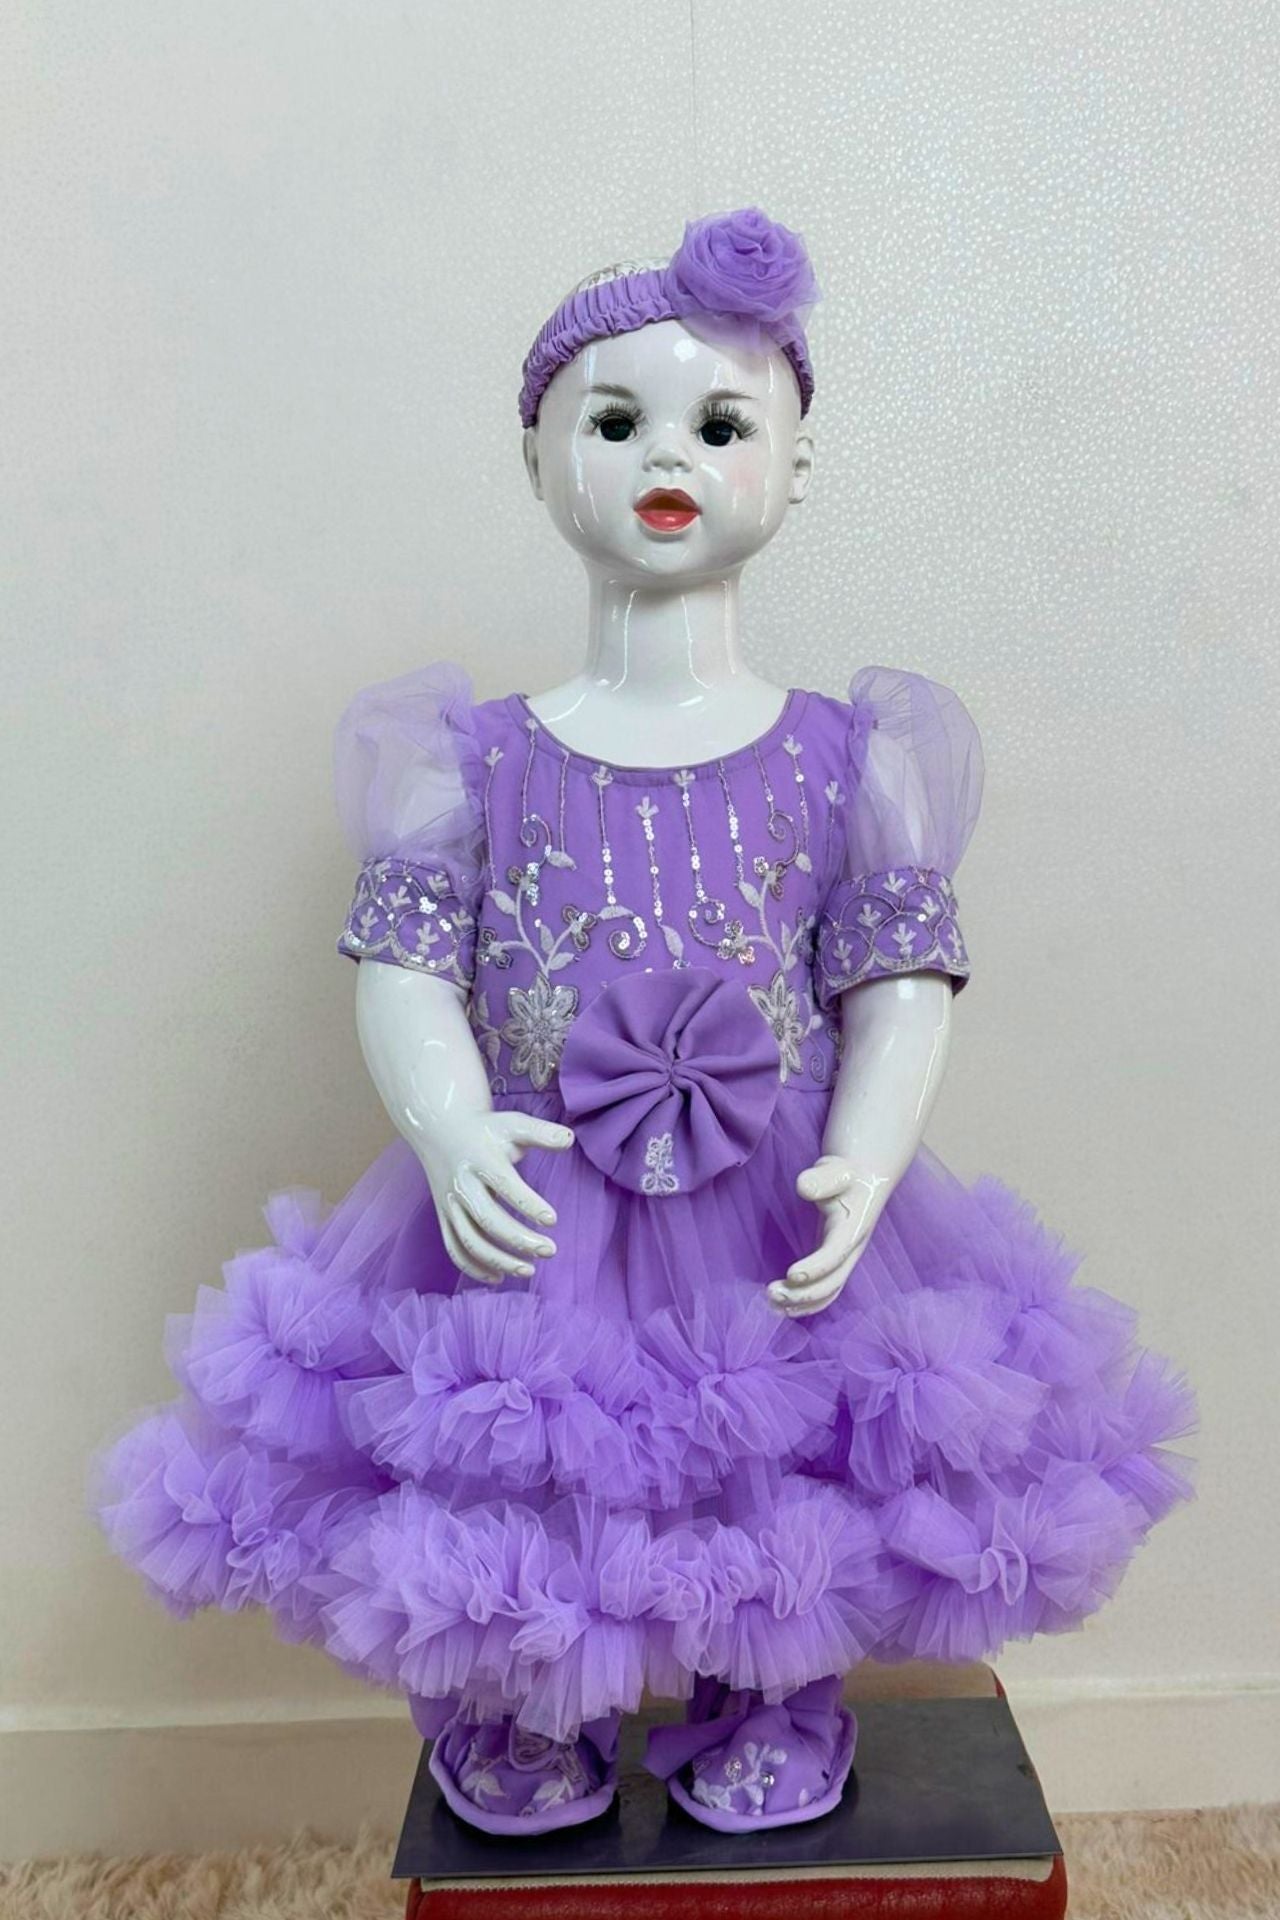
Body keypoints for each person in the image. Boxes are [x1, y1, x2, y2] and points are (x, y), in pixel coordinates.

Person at [92, 207, 1194, 1837]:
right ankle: (524, 1689)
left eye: (722, 424)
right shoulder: (467, 757)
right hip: (535, 1184)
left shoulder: (853, 755)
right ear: (537, 459)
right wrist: (446, 1127)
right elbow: (406, 966)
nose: (667, 456)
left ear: (795, 466)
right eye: (613, 422)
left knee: (772, 1450)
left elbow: (893, 981)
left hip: (774, 1189)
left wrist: (871, 1160)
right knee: (531, 1451)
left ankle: (775, 1685)